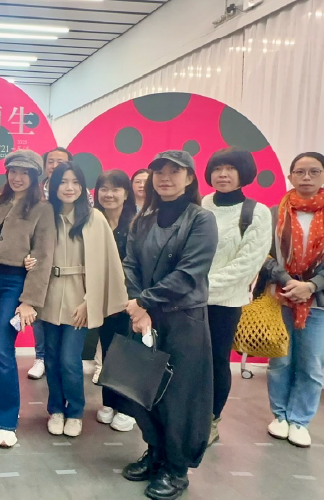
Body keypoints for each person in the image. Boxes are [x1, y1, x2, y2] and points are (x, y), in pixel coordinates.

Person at [121, 150, 218, 500]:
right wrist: (138, 306)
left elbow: (189, 273)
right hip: (144, 317)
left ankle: (176, 469)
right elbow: (130, 264)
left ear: (189, 178)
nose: (164, 178)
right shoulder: (142, 220)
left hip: (183, 319)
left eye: (174, 172)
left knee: (180, 396)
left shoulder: (201, 220)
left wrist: (144, 303)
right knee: (144, 391)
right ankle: (155, 452)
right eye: (158, 171)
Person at [27, 162, 128, 440]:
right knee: (51, 359)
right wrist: (28, 261)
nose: (69, 188)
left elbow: (106, 264)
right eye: (62, 181)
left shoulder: (95, 219)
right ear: (53, 185)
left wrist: (89, 301)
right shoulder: (45, 215)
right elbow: (31, 248)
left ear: (83, 187)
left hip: (79, 300)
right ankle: (56, 410)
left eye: (75, 182)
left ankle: (75, 412)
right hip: (48, 296)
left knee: (70, 360)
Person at [264, 152, 324, 448]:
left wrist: (312, 285)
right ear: (289, 176)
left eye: (314, 172)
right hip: (281, 297)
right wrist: (287, 280)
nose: (306, 177)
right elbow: (264, 254)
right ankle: (280, 416)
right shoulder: (274, 213)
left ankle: (300, 420)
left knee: (311, 364)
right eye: (300, 172)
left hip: (323, 302)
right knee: (280, 360)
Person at [0, 150, 55, 448]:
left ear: (34, 177)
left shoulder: (43, 209)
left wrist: (29, 300)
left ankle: (7, 420)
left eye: (25, 172)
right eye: (13, 171)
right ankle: (0, 407)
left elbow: (43, 256)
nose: (18, 177)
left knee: (4, 348)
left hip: (15, 283)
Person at [201, 148, 272, 444]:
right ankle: (187, 414)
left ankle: (211, 421)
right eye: (218, 168)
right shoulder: (202, 203)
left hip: (224, 303)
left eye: (231, 168)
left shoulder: (257, 212)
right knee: (189, 360)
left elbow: (247, 265)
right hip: (189, 300)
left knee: (217, 361)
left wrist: (200, 286)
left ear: (244, 173)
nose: (223, 174)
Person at [91, 169, 139, 433]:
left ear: (126, 194)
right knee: (109, 350)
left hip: (130, 298)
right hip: (102, 297)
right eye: (104, 189)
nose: (109, 194)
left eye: (115, 189)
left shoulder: (137, 223)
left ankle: (128, 408)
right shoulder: (92, 221)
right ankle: (110, 402)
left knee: (128, 353)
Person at [28, 146, 72, 380]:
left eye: (60, 161)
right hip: (39, 259)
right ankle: (40, 357)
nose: (54, 166)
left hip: (66, 263)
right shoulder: (34, 192)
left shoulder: (77, 191)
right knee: (38, 309)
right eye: (51, 161)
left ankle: (60, 358)